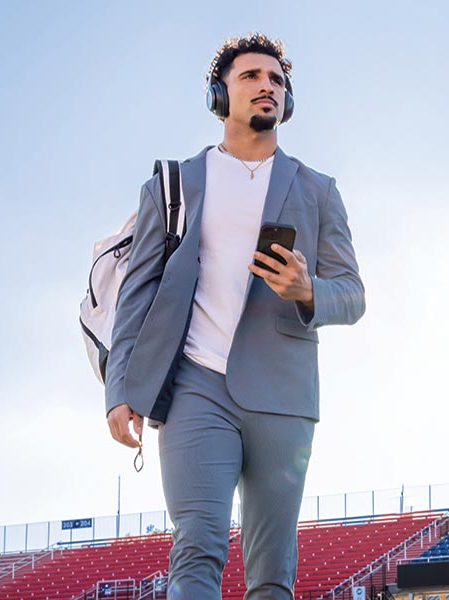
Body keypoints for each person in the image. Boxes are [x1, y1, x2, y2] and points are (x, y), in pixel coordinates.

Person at [104, 33, 364, 599]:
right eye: (250, 76)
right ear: (218, 95)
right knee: (196, 547)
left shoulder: (319, 191)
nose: (266, 86)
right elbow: (135, 295)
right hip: (194, 387)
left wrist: (307, 290)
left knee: (272, 570)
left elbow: (352, 294)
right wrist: (119, 389)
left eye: (276, 80)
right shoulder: (173, 185)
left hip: (283, 397)